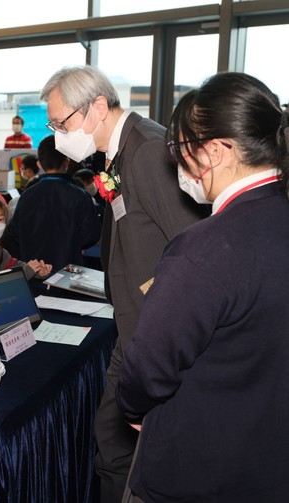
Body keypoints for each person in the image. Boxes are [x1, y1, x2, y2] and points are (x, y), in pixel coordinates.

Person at [116, 72, 289, 502]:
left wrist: (135, 410)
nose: (177, 165)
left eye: (179, 150)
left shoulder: (203, 249)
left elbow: (147, 367)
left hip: (195, 469)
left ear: (215, 150)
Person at [41, 65, 207, 502]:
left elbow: (190, 250)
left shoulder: (148, 150)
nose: (59, 135)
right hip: (132, 325)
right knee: (111, 441)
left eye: (63, 123)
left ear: (98, 107)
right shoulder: (118, 152)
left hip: (155, 332)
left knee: (122, 450)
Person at [5, 134, 101, 271]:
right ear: (67, 162)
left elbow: (14, 233)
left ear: (39, 164)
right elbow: (92, 235)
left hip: (35, 272)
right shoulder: (80, 196)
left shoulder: (26, 196)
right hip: (68, 272)